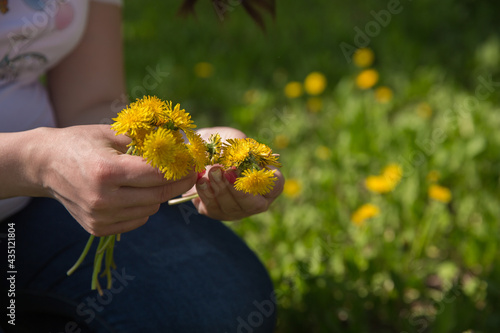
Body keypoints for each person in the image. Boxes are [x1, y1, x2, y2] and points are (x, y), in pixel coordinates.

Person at [0, 0, 282, 332]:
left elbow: (91, 105)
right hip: (29, 178)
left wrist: (188, 154)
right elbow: (39, 161)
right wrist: (35, 161)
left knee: (220, 306)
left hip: (28, 209)